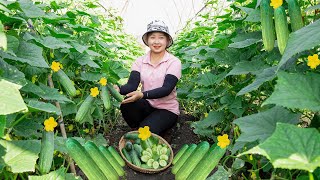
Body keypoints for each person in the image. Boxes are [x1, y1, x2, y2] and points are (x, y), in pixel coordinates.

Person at [114, 20, 182, 137]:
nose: (156, 41)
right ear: (147, 40)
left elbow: (166, 89)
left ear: (167, 41)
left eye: (161, 38)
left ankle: (160, 129)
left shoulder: (173, 62)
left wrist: (142, 95)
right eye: (152, 37)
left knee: (146, 132)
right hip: (148, 105)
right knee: (127, 103)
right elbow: (132, 86)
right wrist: (118, 89)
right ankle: (138, 127)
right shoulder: (140, 61)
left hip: (167, 110)